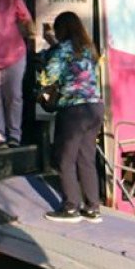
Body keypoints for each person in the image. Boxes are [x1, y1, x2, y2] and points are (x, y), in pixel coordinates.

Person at [42, 12, 104, 224]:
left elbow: (49, 75)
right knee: (86, 159)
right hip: (95, 108)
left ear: (62, 30)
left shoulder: (64, 48)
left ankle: (70, 208)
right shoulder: (89, 49)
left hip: (74, 111)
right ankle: (92, 208)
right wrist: (53, 46)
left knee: (64, 160)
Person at [0, 0, 34, 149]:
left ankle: (14, 134)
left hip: (14, 55)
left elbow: (27, 20)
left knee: (14, 95)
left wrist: (31, 34)